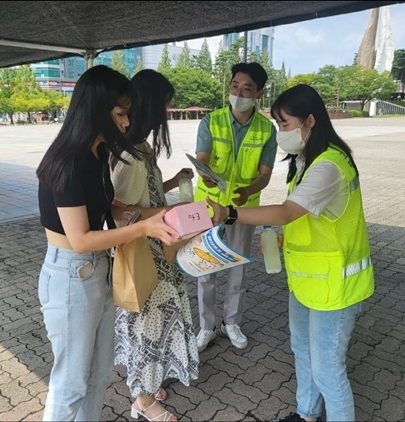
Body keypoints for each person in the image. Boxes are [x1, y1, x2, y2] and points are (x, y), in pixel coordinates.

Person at [205, 84, 375, 422]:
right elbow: (307, 217)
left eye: (284, 124)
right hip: (307, 281)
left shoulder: (329, 165)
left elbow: (285, 212)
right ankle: (307, 414)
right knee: (303, 351)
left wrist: (229, 213)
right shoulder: (307, 160)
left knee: (328, 368)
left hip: (337, 288)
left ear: (310, 121)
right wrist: (285, 239)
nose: (280, 132)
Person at [35, 65, 180, 422]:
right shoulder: (68, 162)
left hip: (97, 271)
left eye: (128, 112)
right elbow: (81, 239)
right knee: (70, 384)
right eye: (120, 113)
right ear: (96, 110)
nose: (128, 122)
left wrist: (157, 214)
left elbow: (109, 206)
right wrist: (142, 229)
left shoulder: (96, 154)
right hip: (70, 274)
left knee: (98, 376)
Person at [110, 69, 199, 422]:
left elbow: (144, 193)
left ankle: (147, 384)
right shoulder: (129, 156)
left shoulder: (139, 149)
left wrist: (173, 182)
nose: (166, 114)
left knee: (157, 324)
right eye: (164, 107)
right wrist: (169, 211)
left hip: (159, 250)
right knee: (148, 327)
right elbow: (121, 210)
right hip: (146, 255)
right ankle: (143, 400)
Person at [193, 62, 277, 352]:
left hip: (244, 209)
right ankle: (206, 326)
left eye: (247, 88)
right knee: (207, 266)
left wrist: (249, 190)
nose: (239, 92)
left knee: (238, 266)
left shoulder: (267, 129)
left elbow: (264, 175)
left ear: (259, 93)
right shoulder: (211, 120)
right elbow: (202, 157)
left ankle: (232, 323)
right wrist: (204, 172)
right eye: (234, 86)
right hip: (209, 205)